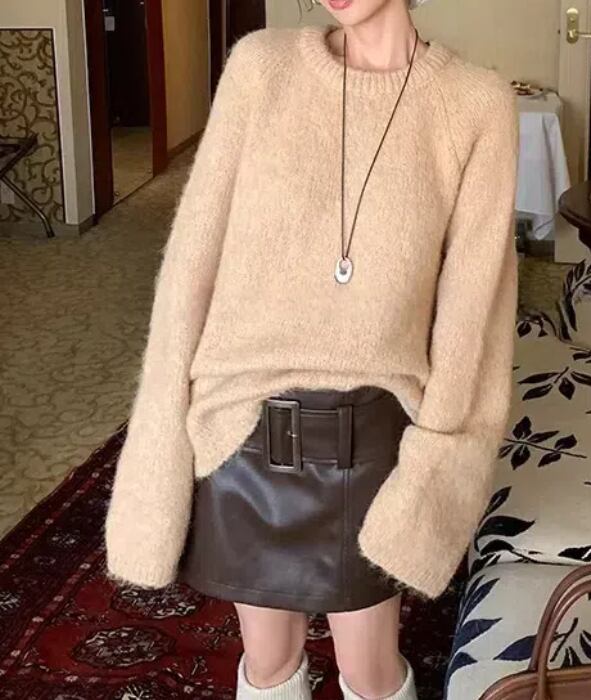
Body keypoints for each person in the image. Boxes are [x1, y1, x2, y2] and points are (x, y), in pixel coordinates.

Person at [104, 0, 520, 698]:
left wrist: (437, 464)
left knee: (369, 670)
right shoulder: (260, 67)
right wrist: (161, 442)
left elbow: (474, 313)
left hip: (372, 436)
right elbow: (190, 265)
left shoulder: (476, 102)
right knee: (267, 664)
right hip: (242, 429)